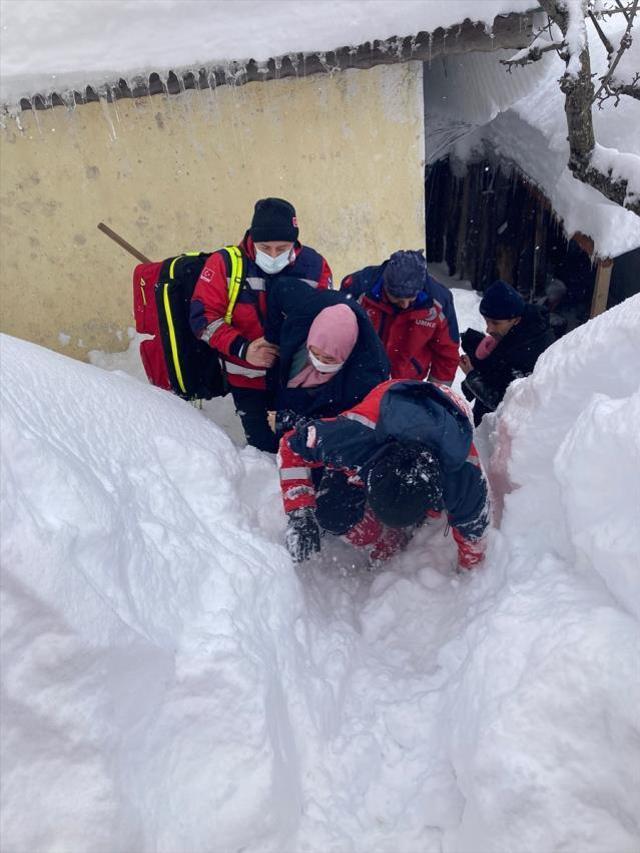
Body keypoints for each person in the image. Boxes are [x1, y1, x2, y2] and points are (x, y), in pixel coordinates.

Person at [278, 379, 490, 570]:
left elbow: (473, 533)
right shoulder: (353, 437)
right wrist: (300, 514)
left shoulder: (464, 475)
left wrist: (467, 573)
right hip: (392, 403)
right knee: (332, 513)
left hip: (452, 411)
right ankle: (387, 540)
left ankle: (414, 520)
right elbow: (291, 446)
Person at [190, 198, 333, 452]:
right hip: (247, 379)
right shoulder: (225, 264)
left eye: (282, 247)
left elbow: (328, 320)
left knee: (299, 448)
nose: (273, 255)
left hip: (296, 381)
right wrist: (244, 348)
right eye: (265, 247)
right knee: (262, 450)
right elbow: (203, 319)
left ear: (295, 242)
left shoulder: (315, 266)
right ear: (251, 239)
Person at [264, 281, 389, 435]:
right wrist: (271, 339)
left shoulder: (366, 378)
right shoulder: (303, 310)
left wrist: (291, 422)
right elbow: (279, 289)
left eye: (329, 360)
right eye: (315, 354)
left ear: (346, 354)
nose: (319, 363)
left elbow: (344, 430)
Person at [340, 249, 460, 385]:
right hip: (360, 377)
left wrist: (435, 396)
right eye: (397, 298)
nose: (404, 305)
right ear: (385, 286)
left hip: (407, 383)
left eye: (411, 298)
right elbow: (338, 338)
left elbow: (446, 354)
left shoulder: (439, 301)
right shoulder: (357, 288)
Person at [459, 279, 555, 426]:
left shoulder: (531, 349)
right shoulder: (517, 331)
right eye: (487, 321)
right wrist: (476, 345)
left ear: (516, 320)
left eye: (495, 323)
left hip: (506, 434)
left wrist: (472, 376)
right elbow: (500, 359)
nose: (488, 329)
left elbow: (504, 404)